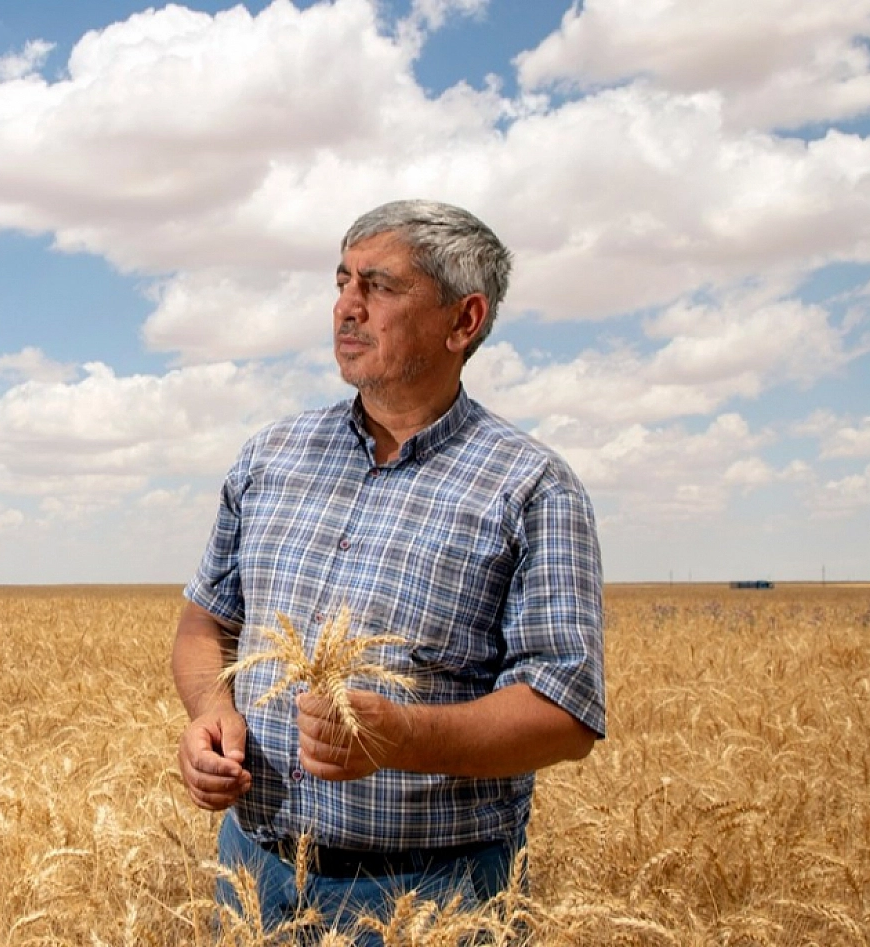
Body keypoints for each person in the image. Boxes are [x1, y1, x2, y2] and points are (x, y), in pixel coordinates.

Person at [171, 200, 605, 941]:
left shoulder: (530, 486)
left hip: (434, 896)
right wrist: (212, 714)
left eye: (380, 286)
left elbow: (563, 714)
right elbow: (205, 624)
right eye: (342, 282)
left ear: (463, 320)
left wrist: (403, 737)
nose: (347, 307)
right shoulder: (271, 457)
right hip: (254, 871)